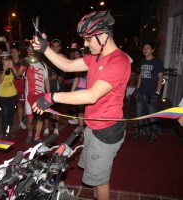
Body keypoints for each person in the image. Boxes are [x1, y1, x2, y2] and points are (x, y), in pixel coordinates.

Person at [32, 10, 131, 200]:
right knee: (94, 178)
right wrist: (45, 49)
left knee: (100, 180)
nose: (85, 44)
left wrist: (52, 96)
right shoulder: (96, 57)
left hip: (106, 131)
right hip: (93, 126)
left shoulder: (118, 62)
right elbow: (67, 66)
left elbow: (92, 95)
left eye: (88, 39)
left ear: (102, 36)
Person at [133, 41, 164, 144]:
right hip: (141, 92)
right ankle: (141, 131)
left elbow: (160, 77)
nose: (145, 50)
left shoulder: (157, 62)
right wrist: (137, 89)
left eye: (148, 48)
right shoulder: (142, 61)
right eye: (144, 48)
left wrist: (157, 92)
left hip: (152, 94)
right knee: (139, 114)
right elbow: (140, 76)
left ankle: (154, 133)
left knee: (152, 116)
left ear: (152, 50)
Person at [21, 47, 50, 145]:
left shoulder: (43, 65)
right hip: (29, 95)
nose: (31, 55)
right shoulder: (26, 64)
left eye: (33, 53)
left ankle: (37, 136)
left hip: (41, 95)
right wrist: (23, 64)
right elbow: (18, 74)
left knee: (40, 117)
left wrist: (49, 95)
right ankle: (30, 134)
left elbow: (46, 80)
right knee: (30, 119)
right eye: (30, 53)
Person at [0, 51, 18, 139]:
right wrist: (4, 70)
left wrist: (12, 68)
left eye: (7, 58)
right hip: (3, 96)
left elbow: (17, 76)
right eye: (3, 59)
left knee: (11, 115)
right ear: (1, 60)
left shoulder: (11, 68)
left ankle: (9, 131)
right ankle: (4, 134)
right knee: (4, 114)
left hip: (13, 95)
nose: (5, 60)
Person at [10, 44, 27, 130]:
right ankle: (20, 122)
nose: (13, 54)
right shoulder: (9, 63)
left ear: (19, 52)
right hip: (11, 88)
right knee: (18, 106)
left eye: (15, 52)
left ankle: (23, 120)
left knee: (22, 105)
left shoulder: (23, 62)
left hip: (22, 87)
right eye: (12, 52)